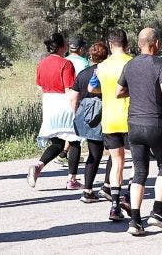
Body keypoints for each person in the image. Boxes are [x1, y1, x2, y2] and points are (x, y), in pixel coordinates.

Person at [117, 27, 162, 236]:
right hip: (155, 124)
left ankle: (135, 221)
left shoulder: (130, 64)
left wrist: (135, 90)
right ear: (155, 43)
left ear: (139, 44)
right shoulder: (161, 64)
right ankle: (157, 212)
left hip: (133, 125)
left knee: (139, 172)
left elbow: (119, 91)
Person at [29, 32, 82, 189]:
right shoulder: (66, 64)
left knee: (58, 143)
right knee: (75, 141)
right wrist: (76, 108)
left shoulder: (42, 63)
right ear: (61, 46)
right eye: (65, 43)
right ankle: (71, 180)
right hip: (64, 104)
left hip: (48, 103)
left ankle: (38, 166)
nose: (67, 45)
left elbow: (39, 85)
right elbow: (69, 89)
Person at [89, 29, 132, 222]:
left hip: (109, 119)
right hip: (131, 118)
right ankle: (129, 195)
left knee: (117, 162)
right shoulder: (132, 62)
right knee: (138, 161)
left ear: (110, 43)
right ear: (126, 43)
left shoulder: (101, 67)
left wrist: (105, 90)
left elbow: (91, 88)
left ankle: (114, 206)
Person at [69, 40, 109, 203]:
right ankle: (107, 186)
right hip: (109, 115)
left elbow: (73, 98)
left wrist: (78, 115)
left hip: (91, 119)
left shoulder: (83, 74)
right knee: (115, 152)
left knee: (94, 154)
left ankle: (87, 190)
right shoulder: (107, 72)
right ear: (106, 56)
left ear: (90, 56)